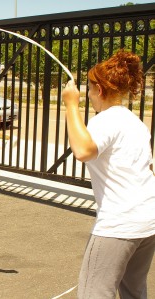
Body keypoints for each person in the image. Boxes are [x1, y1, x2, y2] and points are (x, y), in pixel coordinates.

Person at [62, 49, 155, 298]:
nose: (89, 96)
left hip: (119, 224)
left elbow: (82, 150)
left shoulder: (106, 120)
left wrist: (71, 105)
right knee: (134, 290)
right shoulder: (133, 121)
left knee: (94, 292)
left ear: (99, 90)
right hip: (147, 220)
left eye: (90, 90)